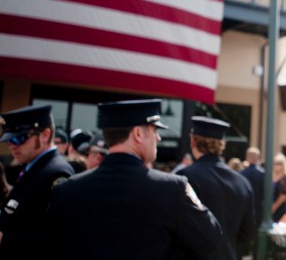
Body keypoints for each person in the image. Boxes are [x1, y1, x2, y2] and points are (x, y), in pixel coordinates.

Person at [46, 99, 222, 259]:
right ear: (138, 133)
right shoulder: (173, 188)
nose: (158, 138)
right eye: (154, 130)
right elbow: (211, 238)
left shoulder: (67, 190)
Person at [0, 104, 75, 259]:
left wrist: (5, 239)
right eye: (9, 141)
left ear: (45, 135)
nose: (12, 146)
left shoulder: (57, 173)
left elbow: (55, 237)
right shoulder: (34, 166)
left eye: (19, 138)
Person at [177, 116, 255, 260]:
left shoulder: (183, 178)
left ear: (193, 141)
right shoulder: (242, 182)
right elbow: (248, 233)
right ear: (222, 144)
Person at [239, 146, 265, 258]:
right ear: (258, 158)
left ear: (247, 157)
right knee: (257, 237)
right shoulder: (264, 174)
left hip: (244, 210)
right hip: (259, 209)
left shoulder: (241, 174)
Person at [272, 153, 286, 223]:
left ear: (283, 165)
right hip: (272, 208)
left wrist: (273, 207)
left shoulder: (284, 178)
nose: (276, 165)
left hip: (279, 209)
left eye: (279, 163)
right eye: (275, 163)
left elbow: (284, 196)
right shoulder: (271, 177)